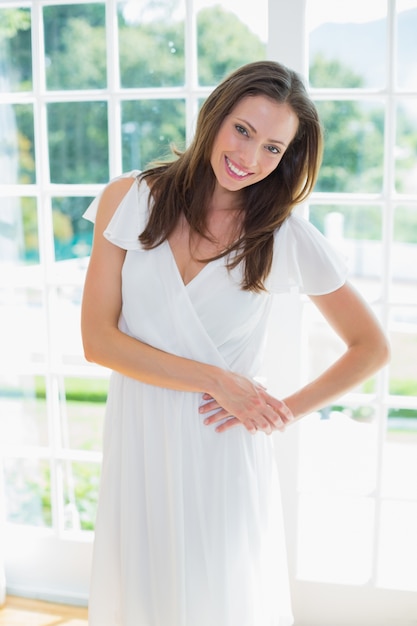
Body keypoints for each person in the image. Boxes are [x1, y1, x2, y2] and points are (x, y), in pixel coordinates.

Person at [81, 60, 389, 626]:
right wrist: (218, 380)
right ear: (214, 116)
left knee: (215, 602)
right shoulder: (128, 198)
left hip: (221, 449)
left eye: (273, 148)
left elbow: (370, 346)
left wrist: (279, 410)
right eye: (243, 131)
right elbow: (98, 341)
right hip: (140, 438)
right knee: (142, 600)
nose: (249, 158)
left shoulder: (284, 234)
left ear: (287, 158)